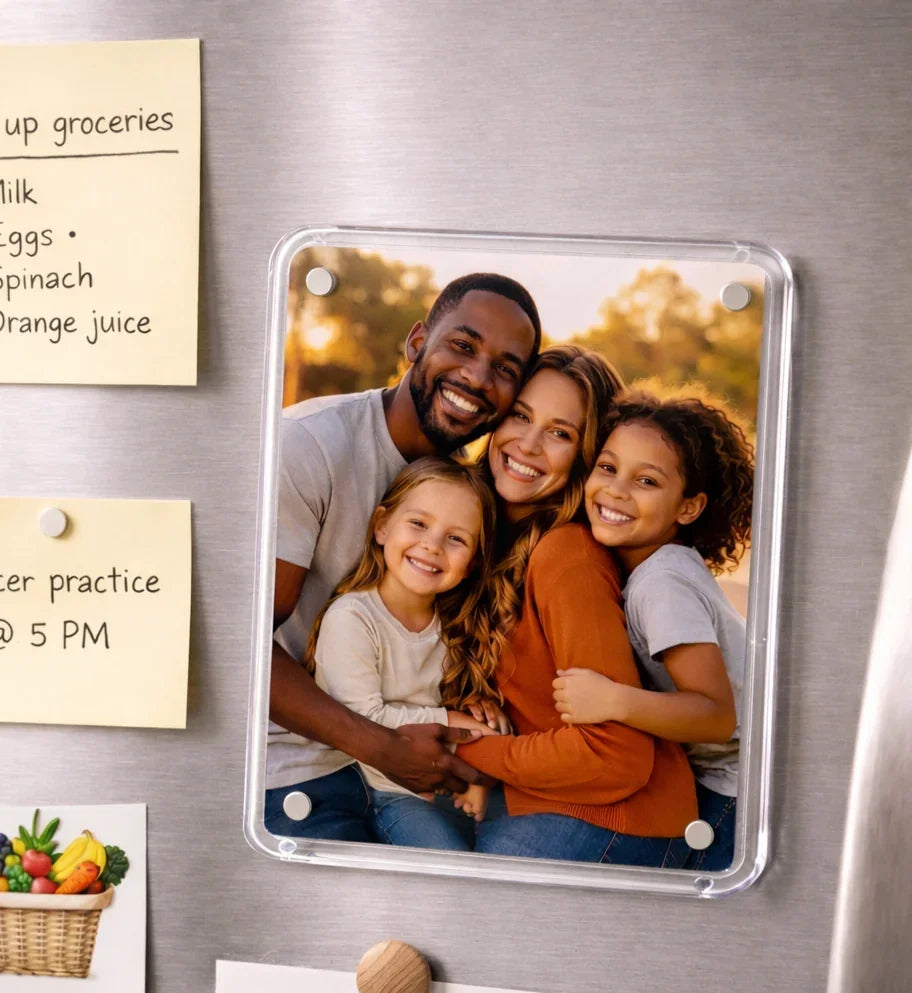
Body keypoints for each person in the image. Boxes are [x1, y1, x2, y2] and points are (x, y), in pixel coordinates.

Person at [265, 273, 541, 843]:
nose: (477, 376)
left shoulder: (477, 493)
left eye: (505, 369)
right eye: (462, 346)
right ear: (417, 342)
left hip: (417, 767)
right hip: (300, 769)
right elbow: (240, 647)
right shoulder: (310, 445)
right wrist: (384, 747)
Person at [456, 347, 699, 865]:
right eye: (521, 415)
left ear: (587, 456)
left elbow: (613, 757)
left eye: (560, 433)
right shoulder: (472, 529)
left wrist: (461, 746)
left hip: (613, 820)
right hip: (543, 800)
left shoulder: (568, 557)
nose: (528, 443)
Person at [553, 393, 754, 871]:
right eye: (608, 468)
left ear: (688, 508)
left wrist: (613, 700)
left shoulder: (660, 583)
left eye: (646, 481)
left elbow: (715, 716)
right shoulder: (650, 566)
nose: (617, 491)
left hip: (733, 787)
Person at [305, 457, 505, 850]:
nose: (431, 545)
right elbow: (363, 718)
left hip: (447, 787)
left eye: (456, 538)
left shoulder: (454, 626)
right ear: (382, 526)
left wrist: (480, 716)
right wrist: (454, 722)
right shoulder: (353, 618)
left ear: (473, 562)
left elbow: (476, 722)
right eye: (418, 524)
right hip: (382, 791)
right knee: (449, 866)